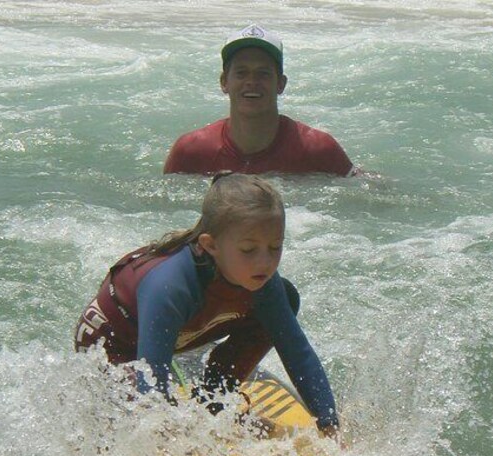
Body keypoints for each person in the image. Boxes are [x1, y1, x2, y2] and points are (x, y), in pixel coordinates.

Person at [75, 173, 339, 436]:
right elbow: (151, 383)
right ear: (210, 245)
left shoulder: (261, 280)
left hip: (176, 333)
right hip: (110, 345)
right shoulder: (170, 287)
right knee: (145, 423)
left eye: (275, 247)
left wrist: (329, 425)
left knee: (286, 295)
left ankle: (215, 404)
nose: (265, 262)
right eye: (249, 250)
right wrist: (178, 439)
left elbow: (297, 352)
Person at [164, 24, 356, 177]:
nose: (251, 82)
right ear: (224, 82)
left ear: (281, 84)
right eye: (241, 73)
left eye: (263, 74)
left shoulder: (318, 149)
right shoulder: (191, 151)